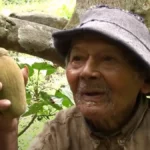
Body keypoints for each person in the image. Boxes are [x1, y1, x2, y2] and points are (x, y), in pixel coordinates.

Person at [0, 5, 150, 150]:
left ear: (144, 81)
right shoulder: (60, 132)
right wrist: (7, 131)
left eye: (108, 59)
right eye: (78, 58)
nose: (86, 72)